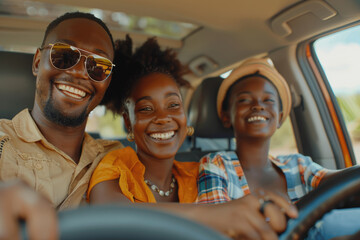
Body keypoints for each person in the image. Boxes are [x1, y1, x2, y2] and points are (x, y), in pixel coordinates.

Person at [88, 36, 298, 239]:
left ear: (185, 117)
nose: (162, 118)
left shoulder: (201, 174)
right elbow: (109, 213)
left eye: (173, 105)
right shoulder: (117, 165)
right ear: (128, 123)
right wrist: (213, 215)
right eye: (146, 108)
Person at [196, 57, 360, 239]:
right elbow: (214, 225)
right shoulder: (216, 164)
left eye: (268, 100)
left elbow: (338, 183)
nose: (258, 105)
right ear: (227, 117)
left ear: (280, 117)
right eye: (244, 100)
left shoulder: (298, 165)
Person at [0, 12, 123, 239]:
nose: (78, 72)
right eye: (64, 55)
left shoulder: (116, 157)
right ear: (38, 62)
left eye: (98, 66)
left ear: (106, 82)